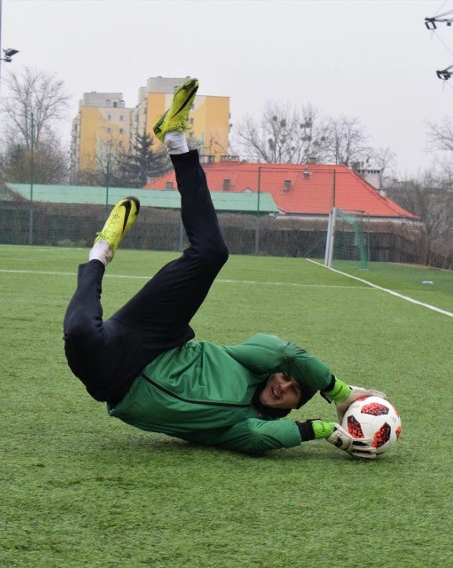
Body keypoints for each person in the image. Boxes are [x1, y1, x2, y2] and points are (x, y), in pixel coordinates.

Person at [63, 78, 385, 457]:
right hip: (160, 340)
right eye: (285, 379)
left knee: (81, 333)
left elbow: (260, 439)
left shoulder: (239, 426)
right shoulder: (250, 362)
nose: (282, 385)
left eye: (293, 391)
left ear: (292, 408)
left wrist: (323, 429)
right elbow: (289, 355)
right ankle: (176, 141)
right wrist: (343, 394)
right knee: (212, 253)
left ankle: (99, 253)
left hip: (116, 378)